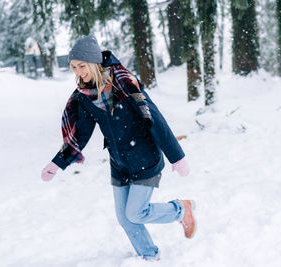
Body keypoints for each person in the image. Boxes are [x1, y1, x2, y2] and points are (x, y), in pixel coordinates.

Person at [41, 35, 196, 261]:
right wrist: (58, 163)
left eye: (82, 66)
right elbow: (81, 134)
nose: (78, 72)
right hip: (119, 163)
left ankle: (181, 210)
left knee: (136, 212)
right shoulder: (84, 96)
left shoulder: (124, 82)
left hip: (145, 157)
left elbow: (153, 115)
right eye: (74, 67)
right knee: (125, 218)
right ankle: (150, 257)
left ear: (94, 62)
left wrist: (176, 156)